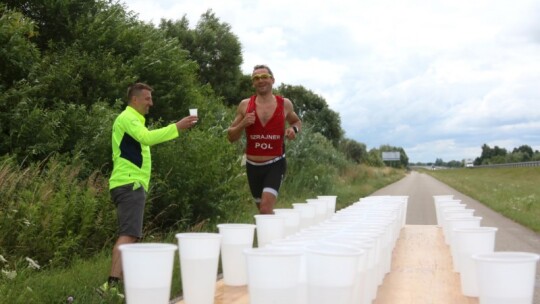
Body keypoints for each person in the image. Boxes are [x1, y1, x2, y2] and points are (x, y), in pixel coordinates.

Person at [100, 83, 198, 297]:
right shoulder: (128, 118)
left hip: (129, 184)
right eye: (147, 99)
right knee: (128, 235)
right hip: (129, 184)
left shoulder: (133, 120)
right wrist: (177, 127)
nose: (151, 103)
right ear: (135, 100)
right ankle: (110, 286)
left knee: (132, 236)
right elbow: (147, 138)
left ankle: (124, 288)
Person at [227, 64, 302, 214]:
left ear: (272, 80)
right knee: (263, 212)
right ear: (253, 83)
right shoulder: (245, 105)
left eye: (264, 77)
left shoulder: (285, 104)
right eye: (256, 78)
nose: (260, 81)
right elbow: (231, 136)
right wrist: (243, 124)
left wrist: (293, 130)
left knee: (265, 209)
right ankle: (278, 233)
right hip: (252, 166)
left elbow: (296, 122)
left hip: (275, 163)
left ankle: (272, 235)